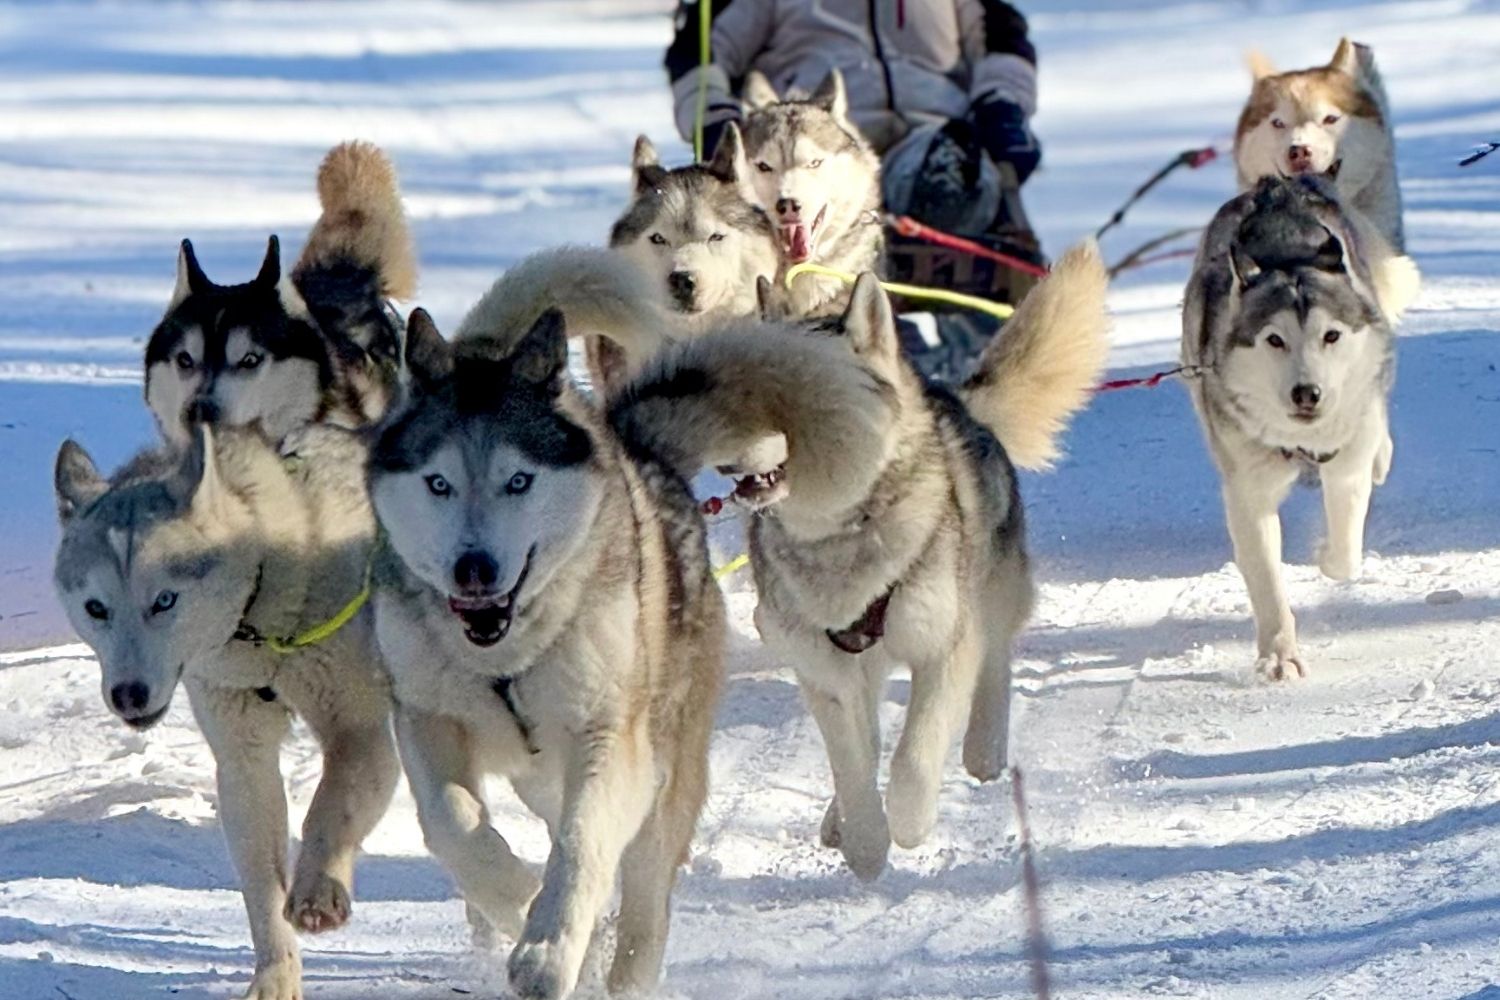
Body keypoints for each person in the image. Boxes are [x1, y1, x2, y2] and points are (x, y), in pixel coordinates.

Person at [663, 0, 1044, 379]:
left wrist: (1002, 104)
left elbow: (1001, 38)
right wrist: (716, 121)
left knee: (949, 178)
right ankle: (862, 336)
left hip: (928, 139)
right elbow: (702, 51)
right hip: (813, 151)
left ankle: (965, 351)